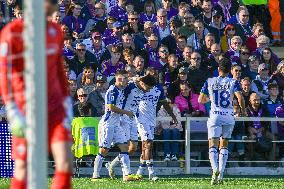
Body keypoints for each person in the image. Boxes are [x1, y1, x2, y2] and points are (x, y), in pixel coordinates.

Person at [0, 1, 73, 188]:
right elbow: (4, 74)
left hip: (55, 108)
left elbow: (58, 69)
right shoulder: (11, 33)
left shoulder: (56, 31)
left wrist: (66, 102)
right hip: (26, 108)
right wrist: (11, 108)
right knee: (23, 167)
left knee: (65, 161)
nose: (53, 4)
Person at [198, 58, 246, 185]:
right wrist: (244, 111)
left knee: (212, 144)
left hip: (215, 115)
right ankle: (221, 173)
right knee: (224, 144)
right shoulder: (233, 82)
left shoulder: (210, 81)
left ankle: (214, 170)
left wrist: (211, 99)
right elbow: (240, 97)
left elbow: (200, 100)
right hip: (229, 116)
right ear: (230, 70)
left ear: (218, 69)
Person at [105, 74, 157, 179]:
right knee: (125, 146)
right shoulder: (130, 86)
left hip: (133, 119)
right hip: (123, 118)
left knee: (133, 149)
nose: (148, 91)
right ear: (143, 84)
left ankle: (111, 165)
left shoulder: (143, 89)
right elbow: (115, 85)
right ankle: (126, 174)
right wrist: (132, 79)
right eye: (148, 88)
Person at [91, 70, 135, 181]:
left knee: (124, 147)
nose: (125, 80)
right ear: (118, 79)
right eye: (123, 78)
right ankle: (95, 175)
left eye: (126, 78)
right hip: (108, 124)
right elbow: (111, 107)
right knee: (104, 150)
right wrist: (126, 112)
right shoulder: (112, 91)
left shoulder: (120, 90)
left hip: (116, 124)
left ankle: (127, 175)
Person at [135, 67, 178, 181]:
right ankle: (151, 173)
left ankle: (139, 170)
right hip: (140, 120)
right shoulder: (139, 86)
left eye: (155, 74)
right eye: (150, 74)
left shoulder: (158, 88)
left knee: (146, 146)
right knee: (148, 144)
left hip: (151, 120)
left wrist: (173, 116)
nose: (153, 76)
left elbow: (164, 103)